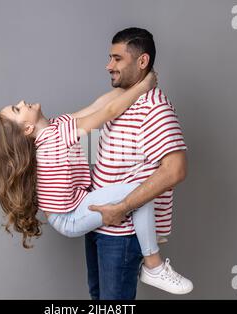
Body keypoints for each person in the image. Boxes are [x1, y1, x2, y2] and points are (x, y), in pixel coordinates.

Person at [0, 71, 186, 295]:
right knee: (141, 193)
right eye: (17, 109)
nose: (22, 102)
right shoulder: (56, 136)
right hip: (68, 218)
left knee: (138, 198)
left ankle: (146, 236)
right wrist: (143, 86)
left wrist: (131, 85)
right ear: (28, 129)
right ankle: (153, 265)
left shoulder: (57, 126)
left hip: (70, 209)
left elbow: (96, 105)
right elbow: (107, 111)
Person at [83, 27, 193, 299]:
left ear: (142, 61)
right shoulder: (120, 103)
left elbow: (175, 170)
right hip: (96, 223)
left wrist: (121, 208)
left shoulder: (155, 108)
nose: (109, 66)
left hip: (122, 232)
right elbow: (97, 153)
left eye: (117, 58)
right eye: (110, 57)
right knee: (99, 299)